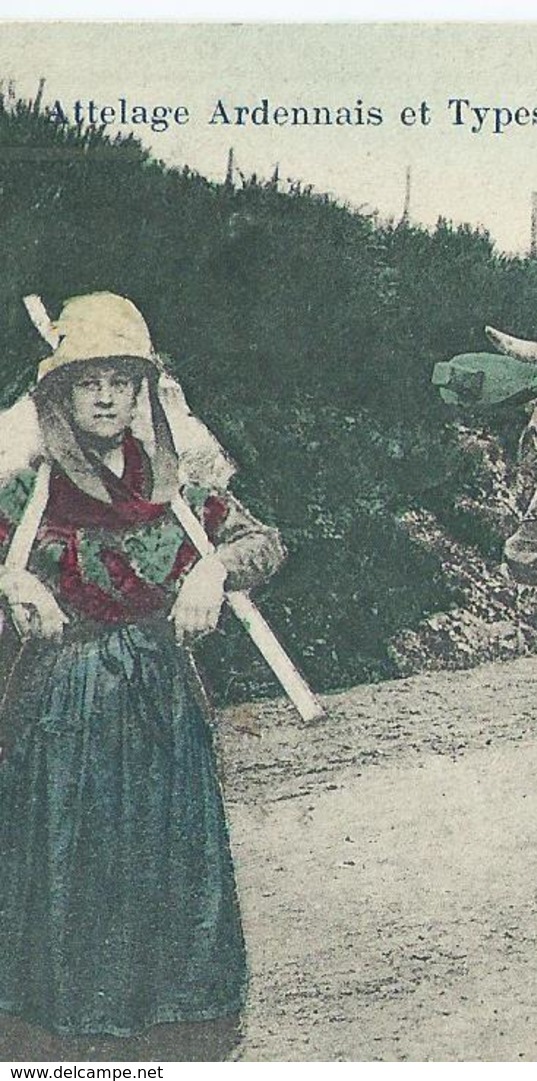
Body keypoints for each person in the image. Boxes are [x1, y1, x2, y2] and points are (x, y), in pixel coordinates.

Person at [0, 293, 284, 1059]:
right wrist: (11, 581)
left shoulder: (176, 488)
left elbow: (262, 541)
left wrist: (214, 572)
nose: (105, 396)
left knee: (168, 851)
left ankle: (175, 1026)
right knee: (68, 852)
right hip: (60, 702)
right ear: (59, 394)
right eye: (88, 380)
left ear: (142, 392)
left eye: (121, 381)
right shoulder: (32, 488)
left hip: (163, 698)